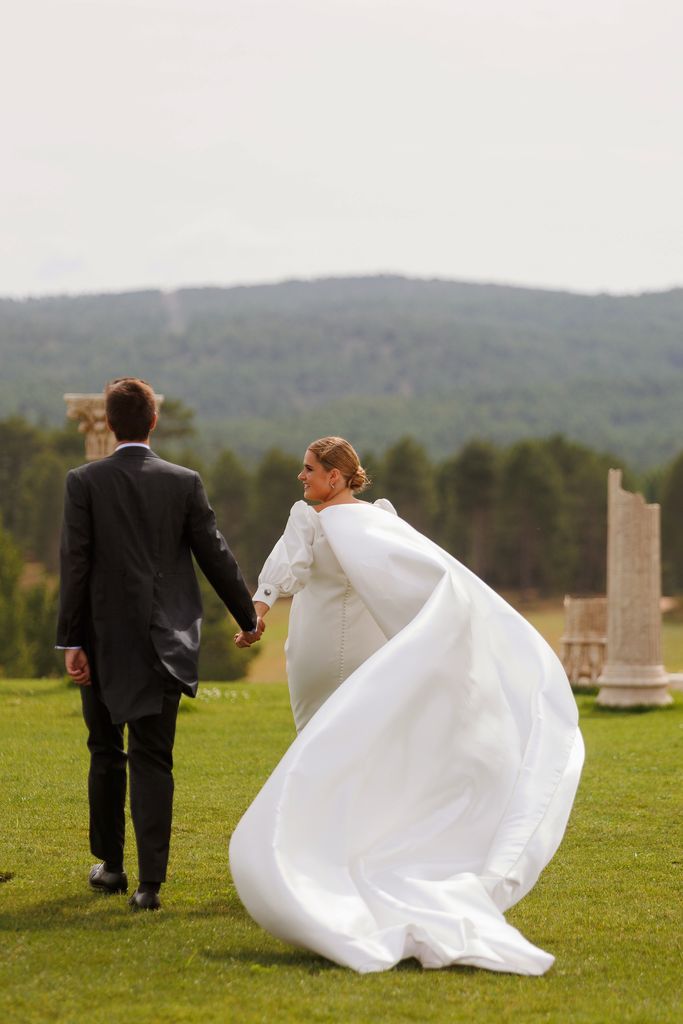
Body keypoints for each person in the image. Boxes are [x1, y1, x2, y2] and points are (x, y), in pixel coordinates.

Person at [230, 436, 584, 974]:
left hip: (323, 650)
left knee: (319, 745)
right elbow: (413, 573)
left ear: (337, 476)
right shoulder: (376, 520)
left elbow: (282, 573)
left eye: (309, 470)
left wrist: (258, 609)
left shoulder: (314, 520)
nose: (301, 479)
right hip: (366, 653)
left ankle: (313, 857)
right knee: (362, 750)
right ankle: (344, 851)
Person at [56, 377, 262, 911]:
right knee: (154, 759)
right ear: (153, 422)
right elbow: (215, 554)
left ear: (111, 420)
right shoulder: (184, 482)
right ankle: (149, 887)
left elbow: (75, 565)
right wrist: (249, 616)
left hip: (103, 644)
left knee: (105, 752)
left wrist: (71, 641)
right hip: (165, 642)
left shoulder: (84, 482)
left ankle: (112, 868)